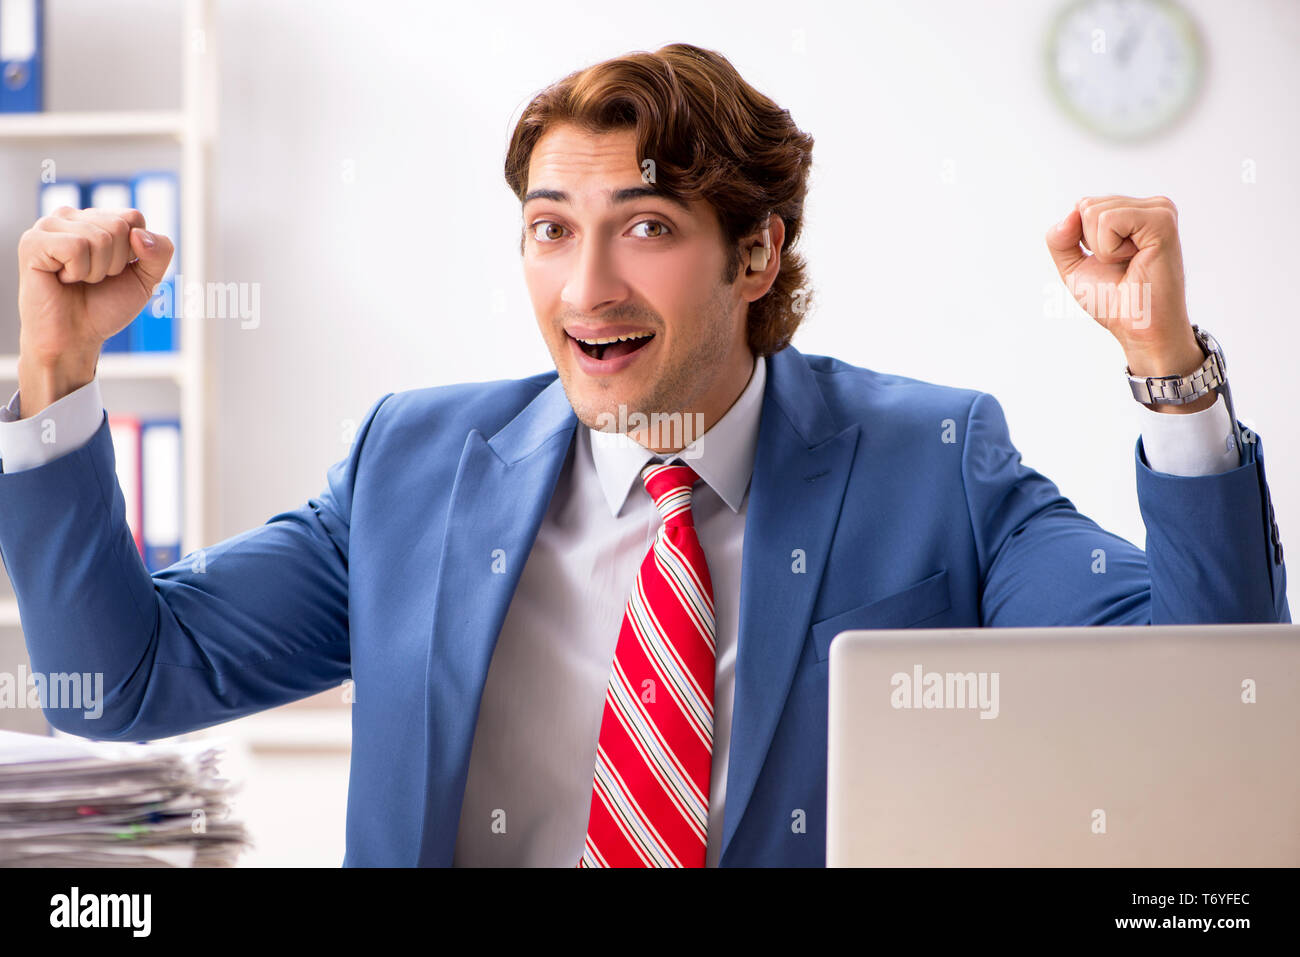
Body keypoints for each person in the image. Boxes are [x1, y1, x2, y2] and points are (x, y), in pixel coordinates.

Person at [0, 43, 1287, 867]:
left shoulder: (933, 459)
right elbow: (117, 687)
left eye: (647, 225)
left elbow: (1203, 699)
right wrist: (56, 376)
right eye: (551, 230)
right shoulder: (414, 464)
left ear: (757, 254)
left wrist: (1169, 376)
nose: (587, 286)